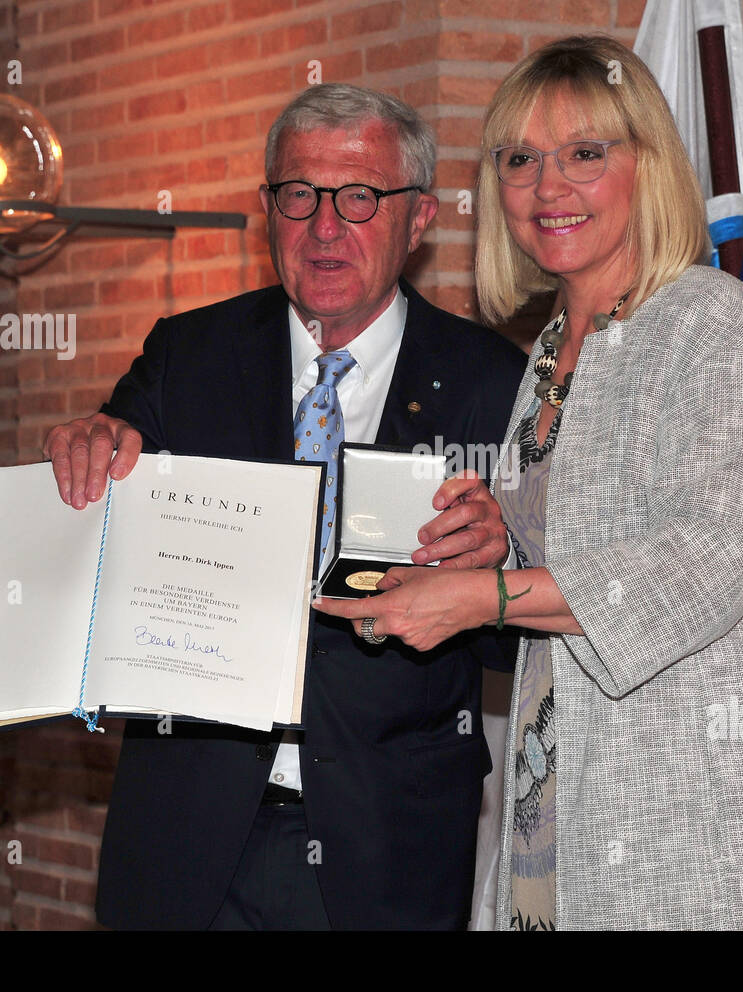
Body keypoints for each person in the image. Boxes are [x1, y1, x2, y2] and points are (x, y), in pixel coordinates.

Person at [315, 37, 743, 930]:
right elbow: (581, 549)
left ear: (646, 165)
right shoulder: (544, 357)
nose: (548, 187)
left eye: (584, 154)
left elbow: (704, 562)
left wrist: (488, 593)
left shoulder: (708, 320)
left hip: (700, 831)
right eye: (521, 160)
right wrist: (498, 537)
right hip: (560, 805)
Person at [43, 84, 526, 930]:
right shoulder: (187, 354)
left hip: (387, 847)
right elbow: (100, 525)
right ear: (268, 209)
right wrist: (86, 452)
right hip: (188, 836)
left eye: (360, 197)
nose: (325, 227)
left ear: (418, 222)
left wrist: (499, 562)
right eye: (299, 195)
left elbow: (518, 639)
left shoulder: (491, 381)